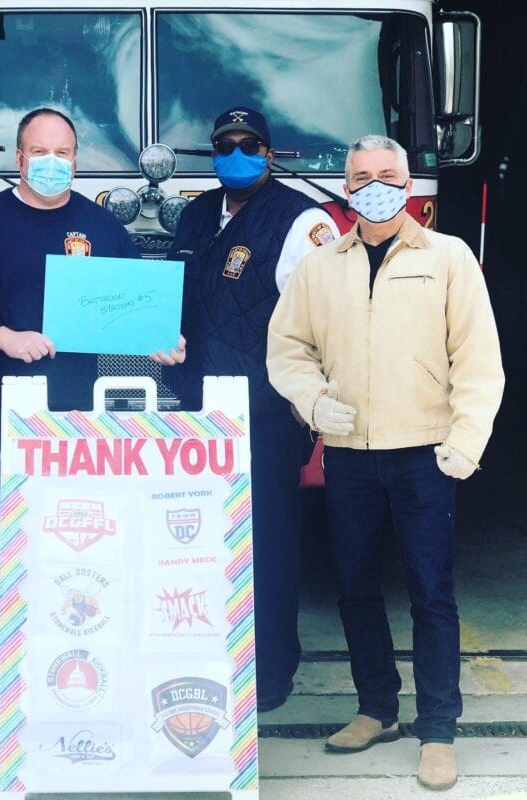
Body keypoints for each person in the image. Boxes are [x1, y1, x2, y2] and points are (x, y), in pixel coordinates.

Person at [266, 134, 504, 790]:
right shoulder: (321, 267)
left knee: (430, 592)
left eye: (388, 175)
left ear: (406, 185)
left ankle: (438, 730)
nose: (375, 184)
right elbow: (287, 348)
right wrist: (314, 403)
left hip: (426, 453)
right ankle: (377, 709)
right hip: (348, 455)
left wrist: (467, 437)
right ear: (346, 189)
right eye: (362, 175)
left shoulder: (448, 258)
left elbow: (480, 360)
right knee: (355, 587)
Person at [0, 107, 185, 721]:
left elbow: (132, 305)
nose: (53, 162)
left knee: (74, 547)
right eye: (40, 152)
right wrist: (1, 336)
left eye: (65, 152)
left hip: (72, 417)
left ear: (76, 158)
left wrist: (157, 339)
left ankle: (70, 672)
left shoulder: (100, 226)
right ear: (18, 158)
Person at [164, 105, 340, 712]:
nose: (236, 153)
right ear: (214, 153)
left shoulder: (302, 220)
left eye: (250, 144)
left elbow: (326, 321)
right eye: (225, 144)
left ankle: (270, 674)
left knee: (267, 544)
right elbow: (175, 300)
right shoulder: (193, 214)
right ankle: (209, 654)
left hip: (264, 414)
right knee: (199, 544)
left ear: (269, 153)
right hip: (195, 409)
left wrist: (305, 406)